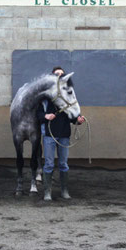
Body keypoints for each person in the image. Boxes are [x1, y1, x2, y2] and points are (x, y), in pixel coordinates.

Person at [37, 66, 85, 201]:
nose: (60, 76)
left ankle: (64, 191)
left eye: (62, 74)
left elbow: (73, 114)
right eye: (57, 74)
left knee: (63, 164)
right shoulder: (45, 98)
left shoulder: (67, 95)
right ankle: (47, 192)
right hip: (49, 135)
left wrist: (78, 120)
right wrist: (45, 117)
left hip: (64, 134)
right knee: (49, 164)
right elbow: (38, 113)